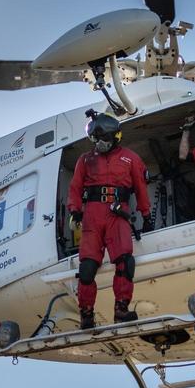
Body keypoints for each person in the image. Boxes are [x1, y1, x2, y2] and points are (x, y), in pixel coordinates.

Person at [67, 110, 152, 329]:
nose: (99, 143)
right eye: (96, 139)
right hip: (92, 214)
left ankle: (121, 310)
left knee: (125, 262)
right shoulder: (85, 160)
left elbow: (141, 188)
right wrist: (75, 210)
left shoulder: (130, 158)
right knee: (87, 268)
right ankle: (86, 315)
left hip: (118, 213)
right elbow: (75, 187)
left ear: (114, 136)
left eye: (103, 138)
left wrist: (146, 214)